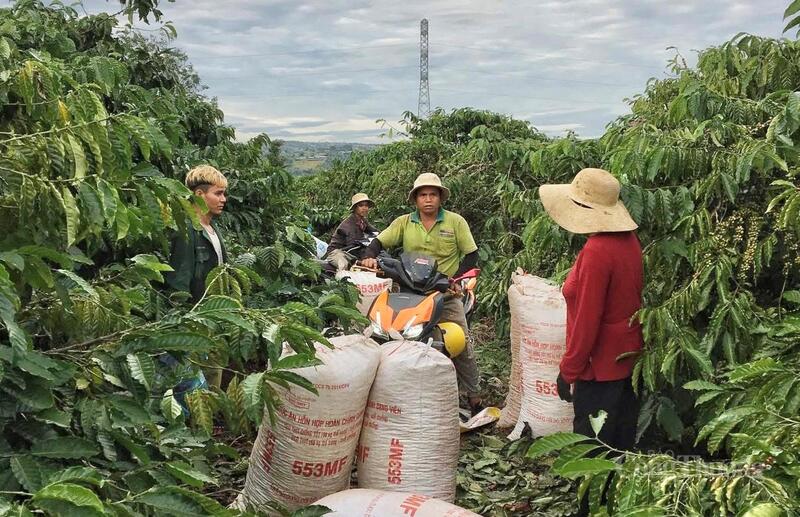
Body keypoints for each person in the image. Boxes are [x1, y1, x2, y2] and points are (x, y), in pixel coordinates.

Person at [538, 167, 643, 453]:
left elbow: (588, 320)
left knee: (591, 449)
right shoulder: (629, 241)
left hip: (600, 368)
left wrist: (568, 370)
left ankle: (591, 499)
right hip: (628, 359)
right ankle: (615, 498)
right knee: (619, 445)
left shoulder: (597, 251)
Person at [360, 173, 482, 411]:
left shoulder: (455, 222)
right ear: (415, 199)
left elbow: (471, 255)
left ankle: (473, 393)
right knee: (386, 334)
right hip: (408, 291)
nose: (428, 199)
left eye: (433, 194)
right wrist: (368, 257)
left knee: (461, 341)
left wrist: (454, 280)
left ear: (440, 198)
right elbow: (378, 243)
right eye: (423, 195)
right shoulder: (403, 222)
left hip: (444, 293)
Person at [165, 164, 229, 390]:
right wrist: (180, 323)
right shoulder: (187, 231)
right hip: (195, 320)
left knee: (213, 371)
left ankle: (209, 421)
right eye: (218, 193)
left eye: (224, 193)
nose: (223, 199)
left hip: (214, 315)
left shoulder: (213, 230)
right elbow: (179, 282)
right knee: (193, 382)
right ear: (199, 194)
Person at [325, 193, 378, 271]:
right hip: (336, 252)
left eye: (366, 205)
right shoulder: (349, 224)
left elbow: (376, 232)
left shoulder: (362, 221)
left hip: (349, 251)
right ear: (355, 208)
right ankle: (340, 282)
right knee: (343, 265)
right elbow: (354, 246)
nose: (364, 208)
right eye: (361, 205)